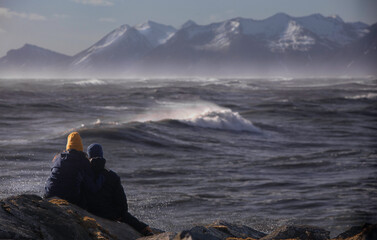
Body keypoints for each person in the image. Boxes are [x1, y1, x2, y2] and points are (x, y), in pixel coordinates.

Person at [86, 143, 153, 236]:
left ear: (89, 155)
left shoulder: (84, 172)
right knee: (126, 216)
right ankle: (146, 231)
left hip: (89, 209)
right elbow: (121, 200)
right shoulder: (112, 176)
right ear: (101, 154)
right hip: (108, 213)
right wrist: (121, 214)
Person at [44, 132, 102, 208]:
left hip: (49, 193)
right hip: (69, 198)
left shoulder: (58, 158)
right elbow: (91, 186)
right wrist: (100, 178)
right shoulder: (83, 160)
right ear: (80, 146)